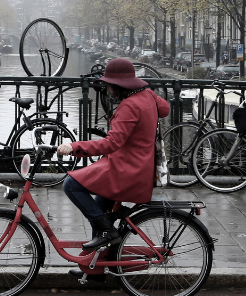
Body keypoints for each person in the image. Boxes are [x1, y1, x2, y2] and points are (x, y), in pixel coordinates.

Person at [57, 58, 170, 268]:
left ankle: (109, 233)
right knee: (99, 211)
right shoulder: (147, 96)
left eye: (108, 85)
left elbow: (112, 143)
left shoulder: (129, 106)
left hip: (126, 169)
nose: (107, 89)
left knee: (71, 185)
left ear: (118, 85)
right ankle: (95, 267)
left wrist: (75, 147)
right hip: (139, 166)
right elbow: (165, 109)